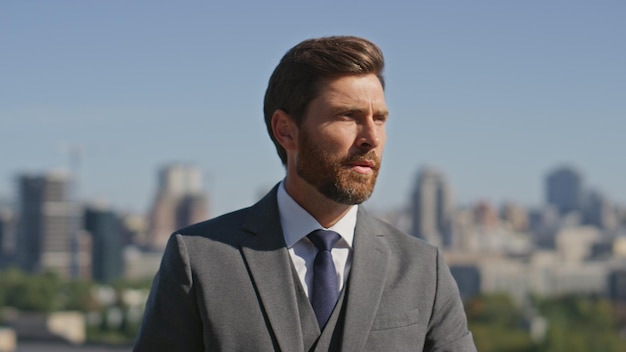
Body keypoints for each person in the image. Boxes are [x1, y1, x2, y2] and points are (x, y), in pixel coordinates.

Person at [134, 35, 476, 352]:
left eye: (380, 118)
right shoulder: (200, 258)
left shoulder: (421, 267)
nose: (371, 137)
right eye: (347, 116)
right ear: (286, 131)